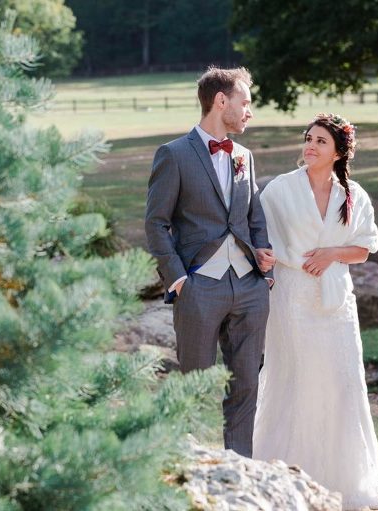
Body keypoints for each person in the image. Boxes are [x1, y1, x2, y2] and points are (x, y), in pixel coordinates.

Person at [253, 113, 378, 510]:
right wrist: (264, 257)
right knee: (293, 379)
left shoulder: (353, 195)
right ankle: (282, 478)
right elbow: (258, 238)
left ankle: (345, 482)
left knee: (342, 384)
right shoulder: (279, 190)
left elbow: (364, 248)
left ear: (338, 152)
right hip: (292, 298)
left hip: (336, 304)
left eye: (320, 142)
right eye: (308, 138)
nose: (310, 147)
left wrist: (332, 253)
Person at [145, 67, 275, 457]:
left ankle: (240, 469)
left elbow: (254, 213)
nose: (249, 112)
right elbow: (155, 222)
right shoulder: (174, 154)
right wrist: (178, 279)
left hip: (250, 288)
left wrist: (263, 266)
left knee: (247, 384)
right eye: (245, 102)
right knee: (194, 383)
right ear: (222, 101)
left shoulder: (244, 157)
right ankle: (181, 468)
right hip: (199, 287)